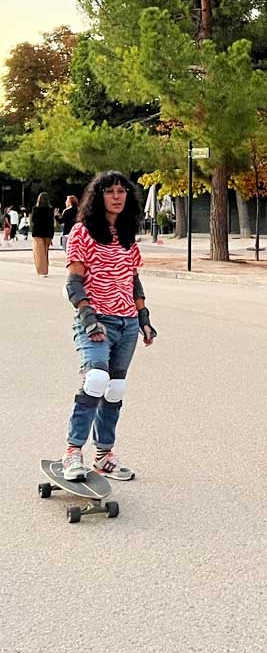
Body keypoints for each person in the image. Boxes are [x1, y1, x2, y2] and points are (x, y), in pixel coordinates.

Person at [60, 171, 157, 481]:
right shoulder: (82, 232)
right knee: (96, 379)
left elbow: (133, 279)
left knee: (115, 389)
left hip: (127, 322)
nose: (117, 196)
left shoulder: (127, 235)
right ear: (98, 196)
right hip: (96, 320)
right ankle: (73, 451)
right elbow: (74, 282)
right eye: (110, 191)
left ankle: (103, 455)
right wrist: (88, 319)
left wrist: (144, 318)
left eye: (122, 191)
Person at [29, 192, 55, 276]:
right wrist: (51, 235)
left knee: (39, 253)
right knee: (45, 252)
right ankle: (45, 268)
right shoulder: (50, 209)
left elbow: (33, 220)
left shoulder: (35, 208)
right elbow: (51, 223)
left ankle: (42, 271)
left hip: (37, 232)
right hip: (47, 233)